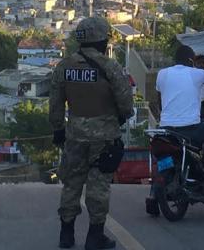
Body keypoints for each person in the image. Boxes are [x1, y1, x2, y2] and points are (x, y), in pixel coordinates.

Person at [50, 17, 133, 250]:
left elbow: (55, 103)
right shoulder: (111, 68)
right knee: (98, 187)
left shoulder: (64, 67)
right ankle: (95, 236)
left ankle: (66, 234)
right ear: (103, 40)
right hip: (104, 138)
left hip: (74, 135)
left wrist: (58, 129)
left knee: (71, 185)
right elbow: (126, 105)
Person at [154, 45, 204, 185]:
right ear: (190, 60)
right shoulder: (198, 73)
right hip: (190, 129)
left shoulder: (162, 73)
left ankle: (154, 193)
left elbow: (160, 102)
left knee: (163, 159)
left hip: (167, 129)